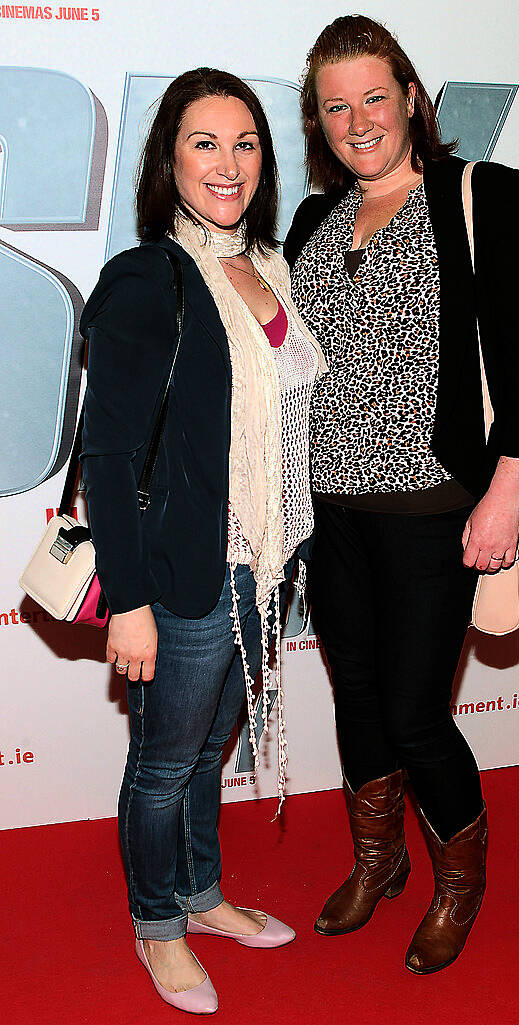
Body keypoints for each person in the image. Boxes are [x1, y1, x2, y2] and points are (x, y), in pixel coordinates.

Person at [284, 15, 519, 974]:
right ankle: (380, 862)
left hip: (437, 510)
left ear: (411, 96)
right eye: (336, 107)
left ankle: (460, 882)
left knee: (415, 712)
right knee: (357, 698)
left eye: (375, 96)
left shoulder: (482, 195)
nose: (358, 120)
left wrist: (506, 495)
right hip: (331, 511)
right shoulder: (312, 222)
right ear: (317, 122)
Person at [80, 68, 326, 1014]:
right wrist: (130, 598)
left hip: (264, 566)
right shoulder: (148, 277)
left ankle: (202, 892)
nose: (228, 164)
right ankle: (159, 926)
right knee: (164, 761)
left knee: (209, 747)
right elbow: (107, 454)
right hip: (186, 575)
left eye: (246, 143)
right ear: (169, 159)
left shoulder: (271, 267)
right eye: (205, 143)